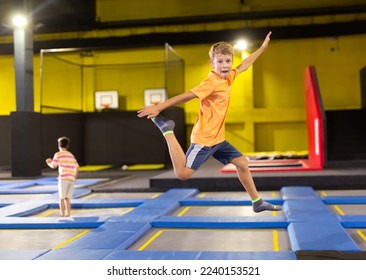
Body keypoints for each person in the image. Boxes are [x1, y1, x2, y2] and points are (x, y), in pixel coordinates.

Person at [137, 31, 281, 213]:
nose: (225, 65)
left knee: (243, 164)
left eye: (228, 61)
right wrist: (159, 107)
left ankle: (257, 202)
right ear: (212, 63)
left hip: (218, 139)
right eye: (220, 61)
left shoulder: (229, 77)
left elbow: (244, 65)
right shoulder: (211, 82)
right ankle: (167, 130)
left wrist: (262, 48)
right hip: (204, 139)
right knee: (182, 174)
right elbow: (187, 96)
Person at [46, 137, 79, 217]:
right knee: (68, 198)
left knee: (61, 198)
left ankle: (62, 214)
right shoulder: (71, 155)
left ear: (58, 145)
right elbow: (77, 166)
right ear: (67, 145)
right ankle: (68, 214)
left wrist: (48, 163)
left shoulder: (58, 154)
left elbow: (54, 166)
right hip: (71, 179)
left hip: (63, 179)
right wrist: (74, 177)